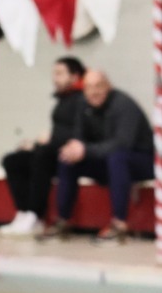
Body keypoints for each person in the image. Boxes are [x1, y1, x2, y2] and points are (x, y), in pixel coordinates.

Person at [42, 68, 155, 244]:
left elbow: (122, 143)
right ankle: (62, 221)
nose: (93, 92)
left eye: (98, 86)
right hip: (107, 161)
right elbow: (79, 136)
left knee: (117, 157)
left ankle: (119, 224)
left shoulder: (124, 105)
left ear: (108, 86)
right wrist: (74, 149)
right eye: (88, 87)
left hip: (142, 162)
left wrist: (85, 150)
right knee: (67, 158)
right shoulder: (83, 104)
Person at [0, 56, 86, 237]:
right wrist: (35, 143)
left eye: (60, 73)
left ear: (75, 76)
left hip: (70, 154)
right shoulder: (63, 99)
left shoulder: (82, 100)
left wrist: (44, 142)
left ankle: (35, 214)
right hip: (54, 149)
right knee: (13, 160)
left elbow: (78, 133)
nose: (55, 78)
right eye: (54, 73)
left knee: (41, 155)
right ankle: (23, 211)